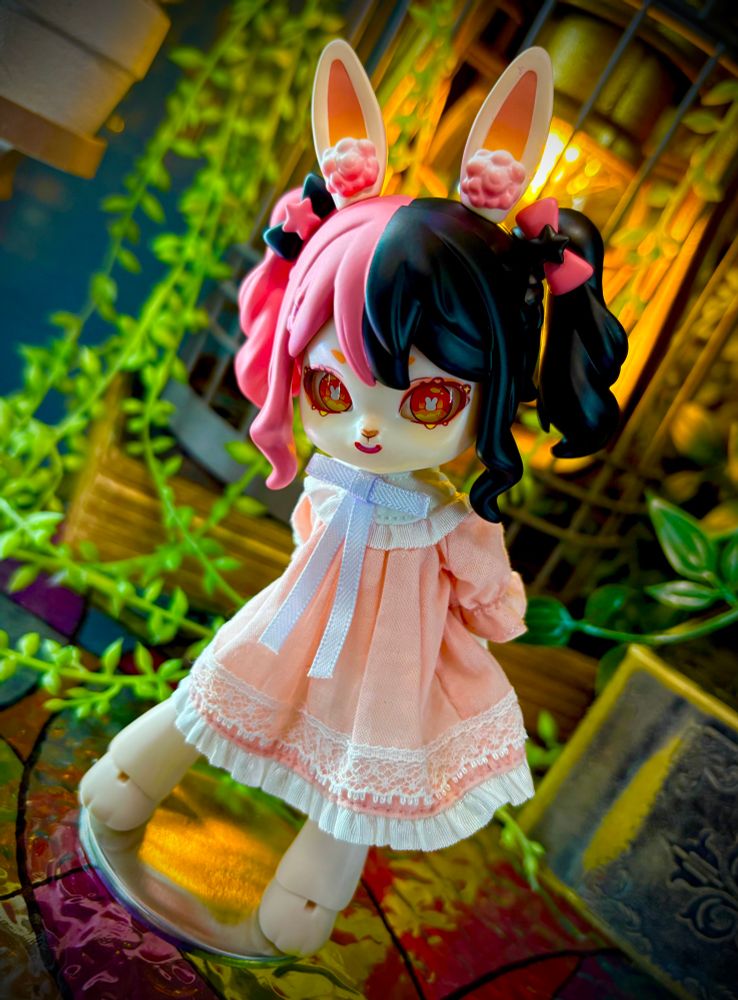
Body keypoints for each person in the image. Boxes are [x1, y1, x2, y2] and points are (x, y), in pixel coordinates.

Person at [80, 40, 627, 957]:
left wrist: (483, 607)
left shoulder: (439, 515)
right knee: (219, 697)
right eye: (332, 390)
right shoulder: (383, 496)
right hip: (313, 632)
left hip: (367, 663)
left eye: (429, 401)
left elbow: (439, 574)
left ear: (490, 398)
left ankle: (206, 843)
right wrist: (493, 614)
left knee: (341, 776)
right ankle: (131, 794)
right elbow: (491, 604)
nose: (368, 430)